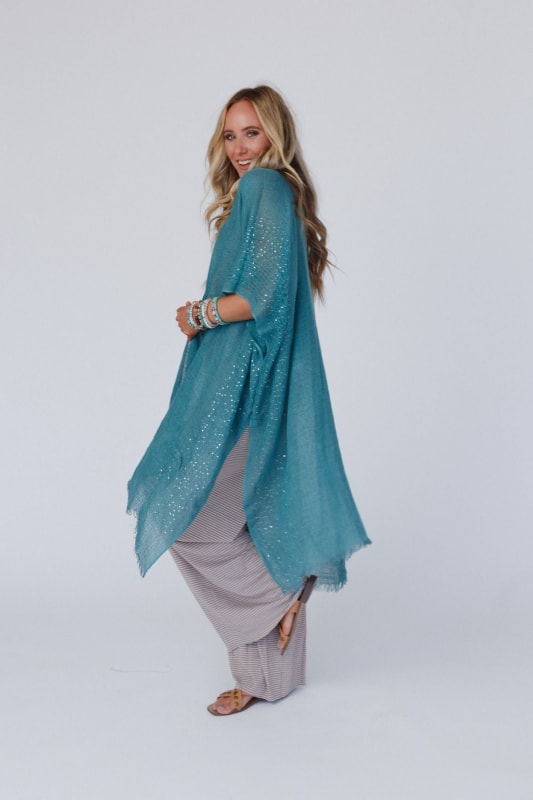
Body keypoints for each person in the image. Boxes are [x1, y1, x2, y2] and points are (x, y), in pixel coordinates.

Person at [127, 85, 370, 716]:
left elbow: (260, 299)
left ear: (275, 135)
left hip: (245, 389)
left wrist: (199, 313)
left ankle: (283, 591)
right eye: (230, 135)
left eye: (252, 133)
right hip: (253, 382)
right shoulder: (274, 194)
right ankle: (267, 676)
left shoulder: (264, 187)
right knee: (248, 526)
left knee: (184, 516)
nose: (240, 148)